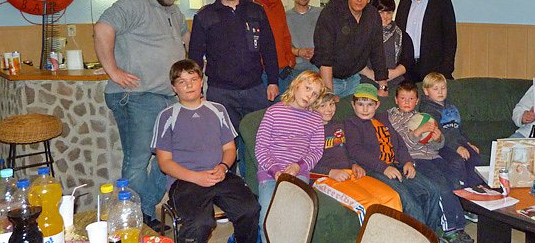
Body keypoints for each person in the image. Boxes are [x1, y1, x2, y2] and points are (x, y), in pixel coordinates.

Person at [94, 0, 189, 227]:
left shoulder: (173, 11)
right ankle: (135, 218)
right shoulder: (134, 4)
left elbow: (185, 36)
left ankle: (143, 211)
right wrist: (112, 71)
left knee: (171, 155)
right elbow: (102, 28)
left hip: (167, 97)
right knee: (138, 160)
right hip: (137, 96)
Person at [151, 59, 259, 243]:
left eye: (193, 79)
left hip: (219, 175)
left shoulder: (218, 110)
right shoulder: (167, 116)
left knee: (250, 209)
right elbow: (164, 162)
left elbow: (230, 148)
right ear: (174, 88)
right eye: (182, 81)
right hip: (185, 181)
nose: (189, 85)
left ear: (201, 82)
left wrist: (223, 167)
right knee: (201, 223)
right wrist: (196, 177)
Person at [188, 0, 279, 133]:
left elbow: (268, 48)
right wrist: (196, 89)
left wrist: (273, 81)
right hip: (220, 92)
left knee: (258, 139)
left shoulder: (256, 11)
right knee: (226, 142)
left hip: (254, 89)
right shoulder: (204, 16)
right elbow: (195, 57)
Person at [344, 83, 441, 233]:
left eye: (370, 104)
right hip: (374, 169)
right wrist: (384, 168)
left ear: (377, 105)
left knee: (432, 189)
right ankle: (417, 238)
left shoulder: (383, 118)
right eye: (360, 104)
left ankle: (430, 235)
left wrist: (407, 162)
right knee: (407, 199)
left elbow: (399, 143)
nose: (365, 109)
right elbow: (356, 150)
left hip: (397, 165)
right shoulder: (352, 123)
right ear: (353, 104)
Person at [388, 82, 475, 243]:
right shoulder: (393, 118)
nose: (407, 102)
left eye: (411, 99)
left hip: (434, 156)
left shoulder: (423, 117)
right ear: (396, 100)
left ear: (417, 101)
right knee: (442, 187)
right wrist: (418, 132)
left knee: (454, 183)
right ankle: (449, 230)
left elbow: (437, 146)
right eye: (403, 98)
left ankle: (459, 226)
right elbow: (402, 144)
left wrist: (437, 138)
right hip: (416, 159)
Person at [255, 70, 326, 243]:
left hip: (298, 174)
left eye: (315, 94)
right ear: (296, 85)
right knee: (267, 220)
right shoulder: (273, 112)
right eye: (307, 88)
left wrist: (297, 166)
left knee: (296, 221)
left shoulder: (316, 119)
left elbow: (316, 151)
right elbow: (261, 148)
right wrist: (275, 171)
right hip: (270, 174)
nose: (309, 96)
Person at [310, 92, 402, 224]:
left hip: (350, 172)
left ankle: (394, 233)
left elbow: (347, 149)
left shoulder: (339, 125)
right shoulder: (308, 131)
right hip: (325, 178)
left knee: (391, 196)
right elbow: (303, 164)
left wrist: (354, 164)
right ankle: (373, 235)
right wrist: (330, 172)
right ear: (311, 108)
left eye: (331, 104)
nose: (329, 109)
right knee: (370, 204)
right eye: (322, 106)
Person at [312, 0, 388, 98]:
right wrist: (329, 94)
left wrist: (383, 86)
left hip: (354, 78)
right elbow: (324, 56)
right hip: (328, 78)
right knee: (327, 109)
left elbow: (377, 51)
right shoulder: (330, 13)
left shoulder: (373, 16)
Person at [418, 72, 483, 189]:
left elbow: (459, 128)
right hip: (441, 145)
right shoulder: (427, 110)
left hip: (457, 142)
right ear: (426, 91)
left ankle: (476, 188)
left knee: (475, 157)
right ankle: (461, 190)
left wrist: (467, 143)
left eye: (443, 88)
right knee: (457, 161)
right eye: (435, 89)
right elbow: (441, 132)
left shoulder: (451, 106)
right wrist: (457, 147)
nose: (440, 92)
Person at [395, 0, 457, 82]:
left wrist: (446, 70)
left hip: (433, 69)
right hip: (405, 68)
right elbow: (397, 34)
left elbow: (450, 40)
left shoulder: (443, 4)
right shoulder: (404, 3)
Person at [240, 0, 295, 94]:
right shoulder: (240, 2)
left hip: (281, 69)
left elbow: (285, 33)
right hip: (255, 71)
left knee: (283, 107)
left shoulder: (276, 2)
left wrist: (290, 58)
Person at [359, 0, 414, 93]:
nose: (385, 16)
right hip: (366, 83)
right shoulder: (362, 33)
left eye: (388, 12)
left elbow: (408, 61)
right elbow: (354, 58)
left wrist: (391, 74)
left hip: (395, 84)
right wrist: (370, 74)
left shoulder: (402, 35)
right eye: (381, 12)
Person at [285, 0, 321, 78]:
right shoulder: (284, 17)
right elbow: (281, 45)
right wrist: (298, 52)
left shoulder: (320, 14)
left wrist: (318, 51)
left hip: (317, 67)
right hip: (294, 70)